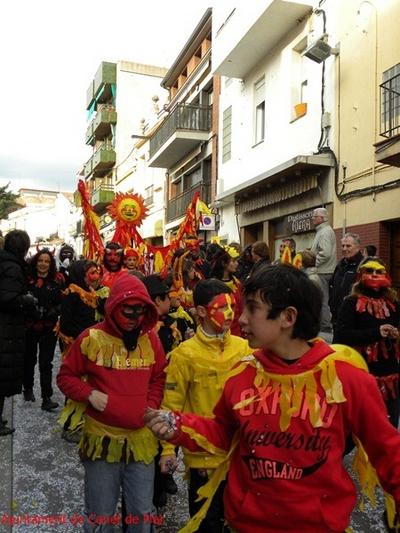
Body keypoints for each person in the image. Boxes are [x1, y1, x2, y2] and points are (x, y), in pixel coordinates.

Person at [145, 264, 400, 533]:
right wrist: (178, 425)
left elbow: (387, 450)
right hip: (248, 525)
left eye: (252, 309)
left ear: (288, 317)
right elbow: (223, 433)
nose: (240, 319)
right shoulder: (242, 374)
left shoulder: (346, 379)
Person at [57, 273, 166, 532]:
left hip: (140, 442)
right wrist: (88, 394)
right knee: (100, 514)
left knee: (142, 513)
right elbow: (65, 376)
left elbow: (158, 377)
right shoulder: (90, 338)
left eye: (139, 312)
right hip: (102, 443)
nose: (133, 320)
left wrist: (149, 405)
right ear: (114, 307)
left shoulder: (151, 339)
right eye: (127, 312)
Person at [159, 279, 252, 532]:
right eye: (222, 307)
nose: (231, 313)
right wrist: (168, 450)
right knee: (206, 523)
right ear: (201, 311)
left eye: (233, 305)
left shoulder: (245, 349)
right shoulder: (184, 354)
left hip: (241, 454)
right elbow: (172, 404)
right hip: (203, 459)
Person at [334, 257, 400, 428]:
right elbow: (342, 335)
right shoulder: (351, 302)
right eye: (370, 271)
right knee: (356, 426)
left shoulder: (393, 303)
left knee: (389, 424)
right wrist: (376, 333)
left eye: (379, 272)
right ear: (361, 275)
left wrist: (396, 334)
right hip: (362, 371)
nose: (374, 275)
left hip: (389, 373)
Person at [0, 230, 35, 436]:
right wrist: (27, 301)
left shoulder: (6, 263)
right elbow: (7, 298)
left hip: (6, 327)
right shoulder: (12, 267)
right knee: (3, 375)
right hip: (6, 329)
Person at [23, 248, 64, 411]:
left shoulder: (57, 280)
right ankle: (27, 388)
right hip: (30, 327)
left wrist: (56, 310)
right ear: (35, 261)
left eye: (47, 261)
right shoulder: (27, 280)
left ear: (51, 263)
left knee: (46, 363)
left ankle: (46, 397)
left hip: (49, 327)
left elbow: (64, 300)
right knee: (29, 360)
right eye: (40, 260)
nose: (43, 264)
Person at [329, 233, 364, 334]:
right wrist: (331, 304)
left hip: (354, 318)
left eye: (348, 246)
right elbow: (331, 285)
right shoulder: (340, 265)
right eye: (343, 245)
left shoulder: (363, 266)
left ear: (357, 246)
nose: (344, 248)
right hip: (337, 317)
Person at [310, 207, 337, 334]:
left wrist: (313, 263)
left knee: (322, 299)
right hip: (324, 270)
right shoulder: (323, 231)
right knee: (322, 298)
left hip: (323, 271)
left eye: (315, 216)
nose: (313, 218)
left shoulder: (324, 232)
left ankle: (325, 326)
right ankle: (325, 324)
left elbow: (325, 253)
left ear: (322, 218)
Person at [209, 246, 243, 336]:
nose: (237, 264)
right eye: (233, 261)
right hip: (220, 332)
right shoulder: (212, 285)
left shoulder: (237, 283)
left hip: (238, 332)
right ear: (224, 263)